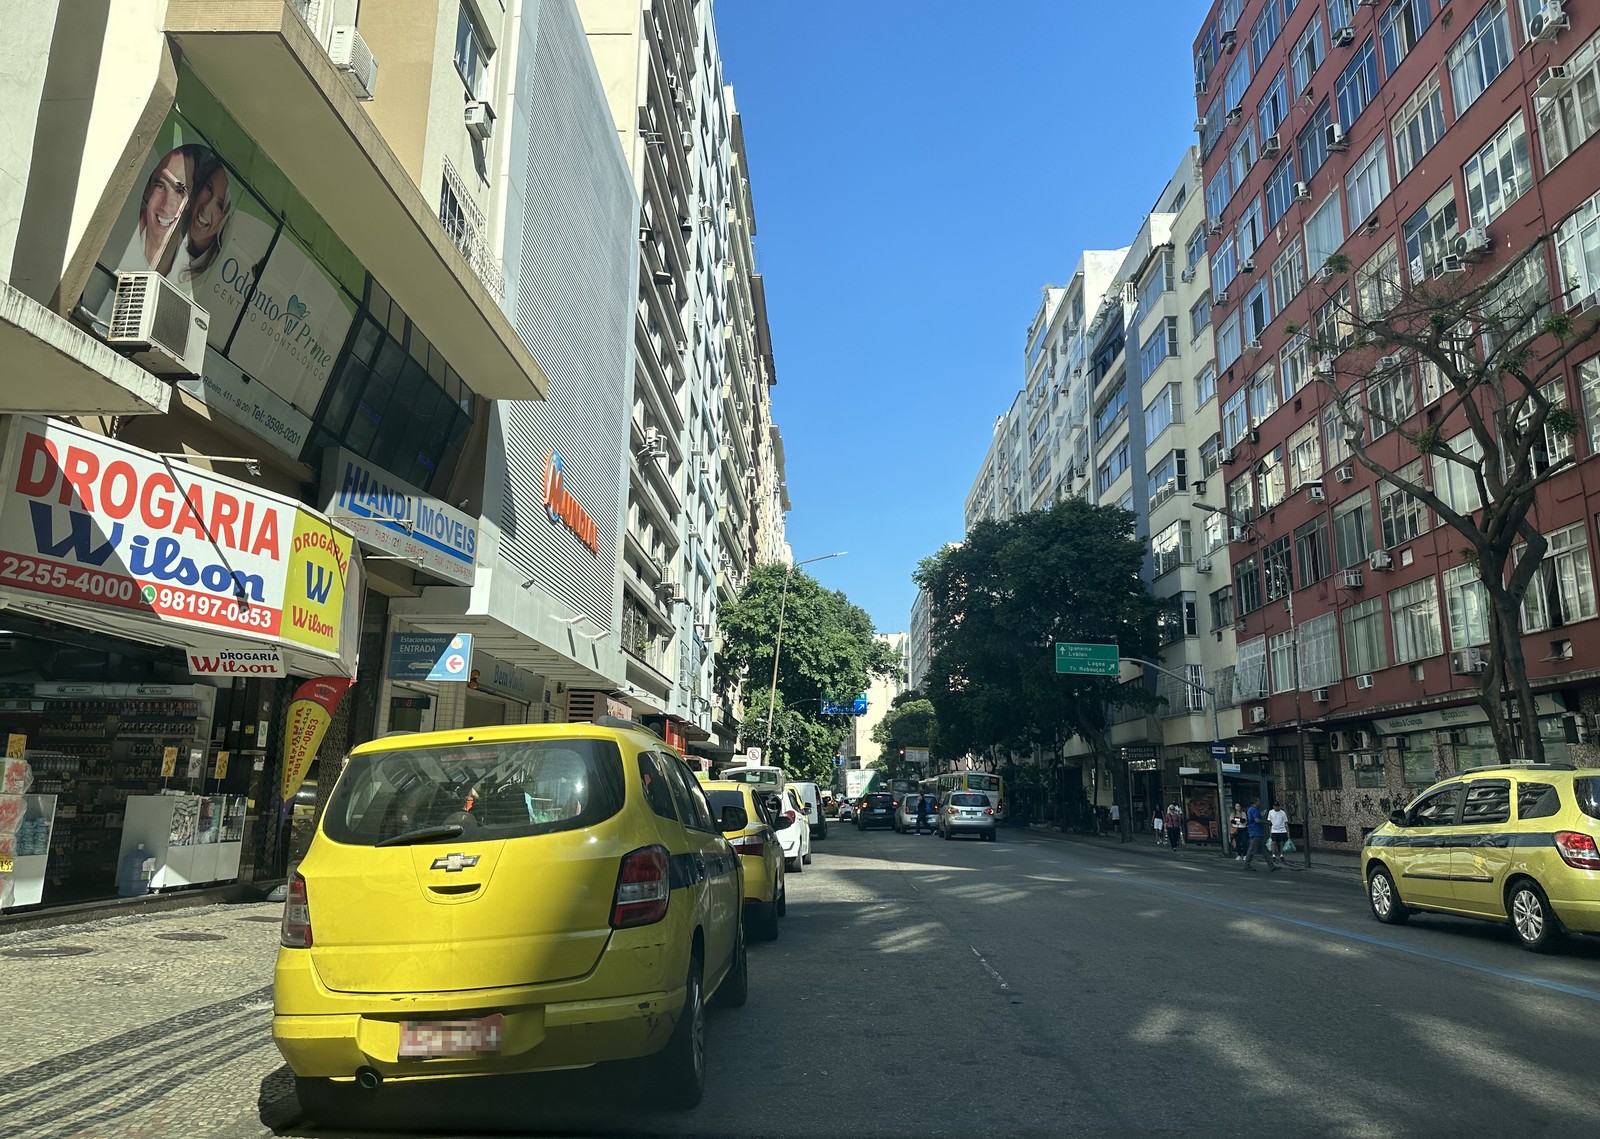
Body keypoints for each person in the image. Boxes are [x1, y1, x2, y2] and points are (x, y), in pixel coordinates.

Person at [1244, 797, 1273, 871]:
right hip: (1255, 832)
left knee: (1264, 849)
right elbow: (1256, 820)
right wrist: (1267, 822)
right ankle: (1246, 864)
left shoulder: (1253, 810)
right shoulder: (1253, 810)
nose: (1260, 803)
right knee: (1252, 849)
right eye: (1258, 801)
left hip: (1257, 832)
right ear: (1255, 802)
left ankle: (1271, 864)